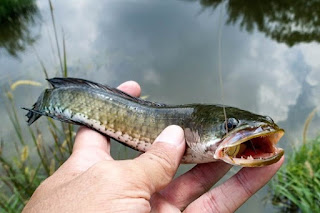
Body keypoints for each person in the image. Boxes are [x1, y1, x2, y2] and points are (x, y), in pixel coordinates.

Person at [23, 81, 284, 213]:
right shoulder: (185, 133)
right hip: (67, 96)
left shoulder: (208, 145)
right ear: (194, 128)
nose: (232, 129)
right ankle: (46, 101)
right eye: (229, 125)